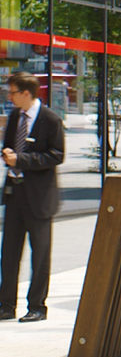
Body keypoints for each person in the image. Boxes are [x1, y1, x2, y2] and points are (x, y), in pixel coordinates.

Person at [0, 72, 65, 322]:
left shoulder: (50, 119)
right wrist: (6, 152)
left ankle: (37, 307)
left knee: (40, 256)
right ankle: (6, 305)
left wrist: (22, 160)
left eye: (12, 92)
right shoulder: (16, 116)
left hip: (39, 199)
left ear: (26, 93)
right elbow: (10, 145)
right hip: (15, 194)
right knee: (9, 253)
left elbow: (56, 155)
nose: (9, 96)